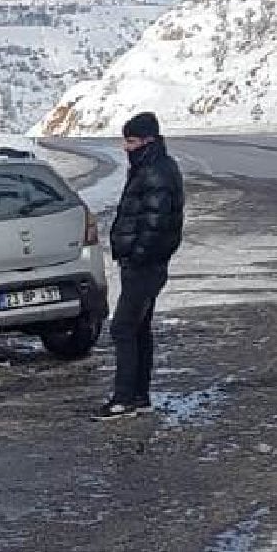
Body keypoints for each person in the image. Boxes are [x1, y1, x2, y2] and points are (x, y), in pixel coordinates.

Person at [94, 112, 184, 421]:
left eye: (130, 141)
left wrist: (136, 254)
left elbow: (156, 225)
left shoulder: (155, 173)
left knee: (123, 328)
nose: (125, 147)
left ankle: (123, 399)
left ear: (147, 141)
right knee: (138, 329)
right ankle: (139, 395)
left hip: (144, 266)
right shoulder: (152, 167)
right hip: (145, 264)